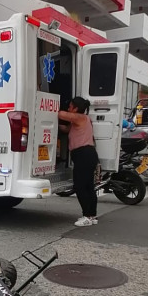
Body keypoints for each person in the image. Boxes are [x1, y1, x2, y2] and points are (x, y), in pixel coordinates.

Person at [58, 96, 98, 227]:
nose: (68, 108)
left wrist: (49, 107)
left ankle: (86, 216)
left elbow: (61, 114)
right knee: (88, 186)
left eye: (70, 106)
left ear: (75, 109)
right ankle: (92, 215)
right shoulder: (81, 120)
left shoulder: (80, 117)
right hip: (87, 155)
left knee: (80, 186)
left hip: (84, 155)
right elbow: (66, 129)